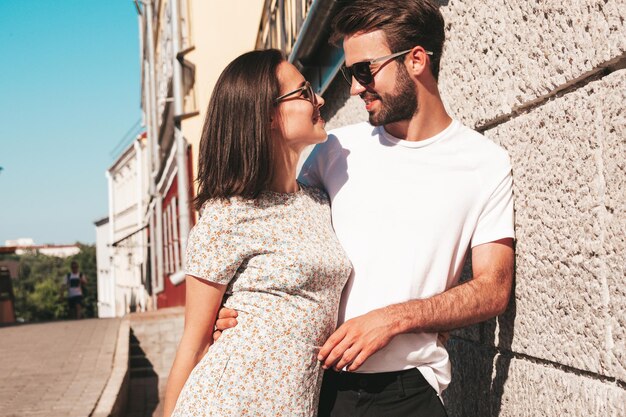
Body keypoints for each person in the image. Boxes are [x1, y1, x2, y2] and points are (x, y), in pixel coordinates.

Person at [215, 1, 515, 416]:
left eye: (363, 71)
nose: (355, 88)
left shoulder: (485, 163)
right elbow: (274, 236)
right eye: (348, 74)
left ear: (415, 60)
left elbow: (493, 289)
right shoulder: (336, 148)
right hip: (315, 387)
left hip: (410, 392)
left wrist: (394, 319)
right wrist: (235, 304)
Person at [163, 49, 352, 417]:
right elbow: (195, 343)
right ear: (267, 115)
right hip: (228, 404)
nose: (321, 98)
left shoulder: (318, 200)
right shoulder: (228, 215)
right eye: (304, 92)